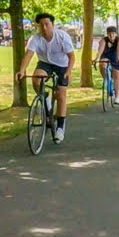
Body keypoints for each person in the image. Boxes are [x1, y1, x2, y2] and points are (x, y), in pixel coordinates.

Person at [16, 12, 75, 143]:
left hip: (62, 65)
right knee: (36, 79)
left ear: (52, 25)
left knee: (61, 93)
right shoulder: (35, 38)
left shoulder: (62, 37)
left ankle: (60, 127)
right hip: (45, 63)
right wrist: (21, 70)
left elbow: (72, 56)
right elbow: (28, 55)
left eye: (47, 24)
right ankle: (46, 100)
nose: (44, 27)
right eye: (41, 25)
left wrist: (69, 71)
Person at [96, 25, 119, 105]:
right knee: (102, 63)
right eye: (109, 34)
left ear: (115, 34)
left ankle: (117, 97)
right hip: (106, 56)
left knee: (117, 75)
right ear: (107, 34)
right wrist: (97, 58)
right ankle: (105, 78)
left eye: (113, 33)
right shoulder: (103, 41)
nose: (111, 35)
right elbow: (100, 50)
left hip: (116, 57)